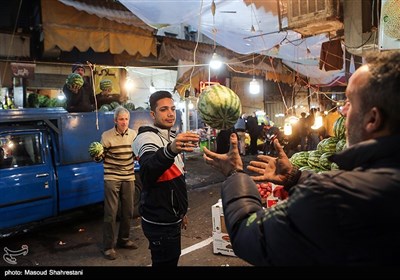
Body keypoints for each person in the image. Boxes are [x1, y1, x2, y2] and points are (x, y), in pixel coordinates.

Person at [203, 50, 400, 265]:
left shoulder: (334, 196)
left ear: (373, 119)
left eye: (350, 101)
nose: (342, 110)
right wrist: (296, 178)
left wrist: (234, 174)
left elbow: (250, 236)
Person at [132, 90, 200, 267]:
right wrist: (170, 150)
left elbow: (174, 180)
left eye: (172, 108)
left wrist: (180, 211)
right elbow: (148, 170)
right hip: (159, 222)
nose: (170, 113)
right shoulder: (146, 138)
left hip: (171, 218)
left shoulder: (169, 136)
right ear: (153, 114)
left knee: (171, 259)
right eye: (163, 109)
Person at [95, 106, 138, 260]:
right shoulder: (106, 136)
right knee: (111, 213)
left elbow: (137, 154)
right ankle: (108, 247)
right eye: (121, 119)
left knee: (128, 211)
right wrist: (96, 155)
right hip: (112, 177)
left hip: (129, 177)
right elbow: (100, 158)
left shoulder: (134, 135)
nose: (124, 122)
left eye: (126, 119)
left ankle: (124, 240)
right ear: (115, 120)